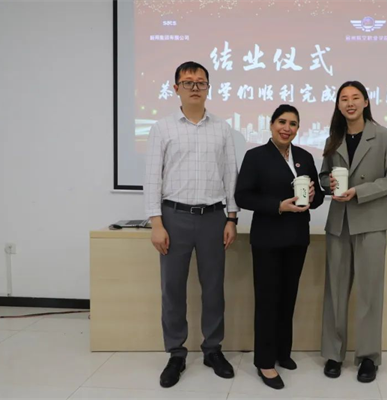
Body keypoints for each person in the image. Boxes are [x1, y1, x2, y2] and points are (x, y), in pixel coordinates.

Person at [144, 61, 239, 388]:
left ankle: (213, 349)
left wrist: (231, 218)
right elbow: (152, 178)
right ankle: (176, 352)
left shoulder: (222, 128)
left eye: (201, 82)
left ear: (208, 87)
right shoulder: (162, 128)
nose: (195, 87)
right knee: (173, 289)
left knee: (213, 288)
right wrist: (156, 223)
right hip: (174, 217)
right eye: (188, 82)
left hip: (214, 217)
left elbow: (230, 176)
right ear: (176, 89)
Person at [235, 104, 324, 389]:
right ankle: (264, 361)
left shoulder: (305, 157)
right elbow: (243, 196)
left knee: (288, 297)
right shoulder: (255, 156)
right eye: (282, 122)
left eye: (293, 124)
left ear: (298, 128)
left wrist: (313, 194)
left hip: (297, 238)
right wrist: (278, 205)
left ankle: (282, 352)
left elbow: (319, 198)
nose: (287, 128)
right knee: (268, 300)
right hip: (268, 239)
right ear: (272, 125)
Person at [319, 81, 387, 383]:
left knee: (369, 292)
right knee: (335, 291)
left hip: (371, 220)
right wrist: (328, 183)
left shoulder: (383, 135)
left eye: (355, 97)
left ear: (366, 102)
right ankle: (333, 354)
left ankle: (368, 357)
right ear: (338, 105)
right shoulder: (334, 137)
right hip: (339, 222)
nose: (350, 103)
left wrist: (360, 191)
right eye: (344, 98)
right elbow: (323, 175)